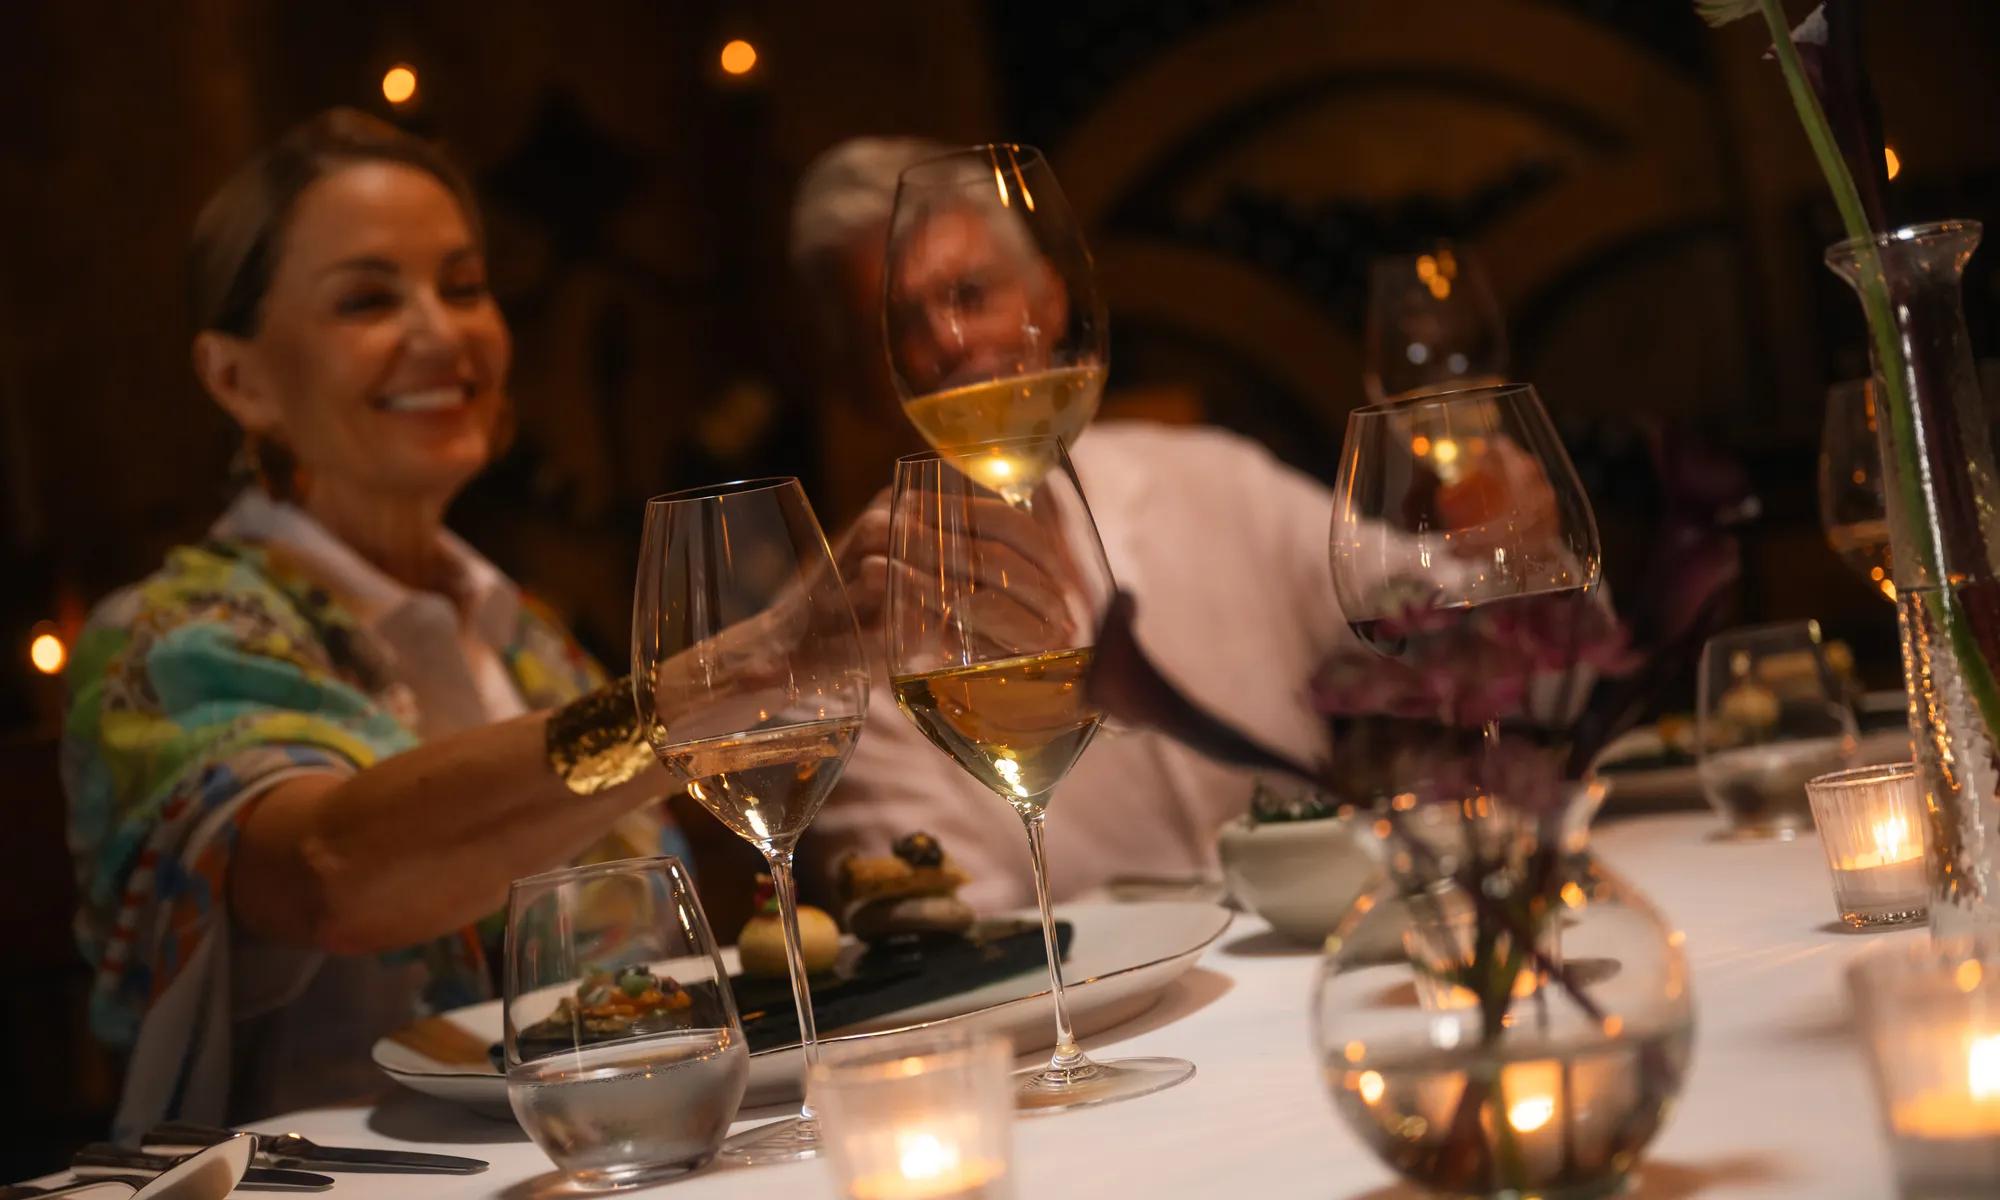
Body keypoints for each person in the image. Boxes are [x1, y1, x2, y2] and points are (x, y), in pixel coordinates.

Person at [60, 109, 887, 1134]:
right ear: (238, 378)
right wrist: (717, 684)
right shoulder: (163, 643)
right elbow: (332, 873)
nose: (442, 333)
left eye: (462, 286)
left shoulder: (529, 638)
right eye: (367, 299)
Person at [791, 138, 1356, 910]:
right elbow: (952, 938)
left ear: (1051, 301)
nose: (947, 345)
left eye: (971, 294)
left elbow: (1445, 628)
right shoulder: (835, 647)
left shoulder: (1215, 479)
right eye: (896, 325)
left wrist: (1503, 549)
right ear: (858, 379)